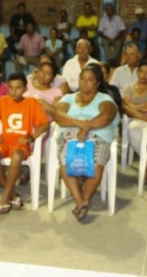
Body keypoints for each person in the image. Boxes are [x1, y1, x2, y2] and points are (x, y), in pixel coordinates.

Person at [53, 65, 119, 222]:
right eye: (82, 79)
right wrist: (80, 123)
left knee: (96, 161)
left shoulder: (104, 99)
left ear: (97, 83)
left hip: (98, 135)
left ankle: (84, 199)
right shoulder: (68, 98)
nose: (85, 83)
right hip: (70, 135)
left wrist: (88, 126)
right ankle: (81, 201)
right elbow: (59, 116)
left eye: (90, 80)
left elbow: (107, 117)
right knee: (65, 158)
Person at [0, 73, 50, 214]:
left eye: (18, 87)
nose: (14, 91)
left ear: (25, 88)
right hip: (4, 141)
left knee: (16, 156)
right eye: (11, 87)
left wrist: (31, 138)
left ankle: (4, 198)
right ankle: (13, 194)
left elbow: (45, 124)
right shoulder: (2, 101)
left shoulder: (31, 103)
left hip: (21, 143)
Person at [122, 61, 147, 156]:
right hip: (135, 118)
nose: (144, 75)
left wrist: (135, 107)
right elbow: (125, 104)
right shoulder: (129, 88)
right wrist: (141, 109)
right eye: (141, 71)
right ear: (137, 72)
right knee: (132, 125)